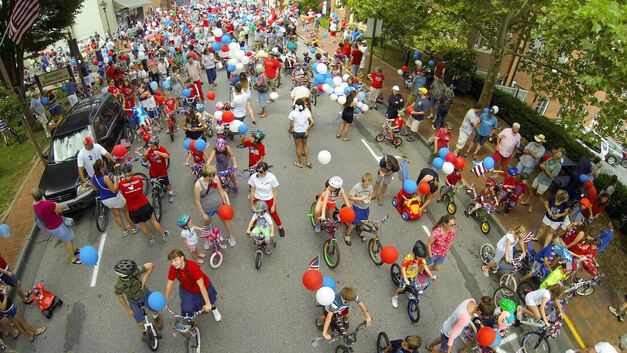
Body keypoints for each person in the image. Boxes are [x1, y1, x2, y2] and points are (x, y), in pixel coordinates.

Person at [118, 164, 170, 245]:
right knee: (153, 221)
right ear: (132, 172)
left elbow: (119, 189)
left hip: (133, 210)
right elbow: (141, 189)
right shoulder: (139, 180)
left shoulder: (121, 184)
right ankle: (163, 235)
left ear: (123, 175)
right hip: (145, 205)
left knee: (142, 225)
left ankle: (150, 239)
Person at [113, 260, 163, 342]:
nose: (135, 272)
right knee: (139, 323)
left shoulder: (135, 271)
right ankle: (146, 330)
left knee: (154, 308)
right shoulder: (119, 285)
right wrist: (128, 309)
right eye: (133, 272)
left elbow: (151, 265)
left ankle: (156, 316)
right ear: (127, 276)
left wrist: (144, 280)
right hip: (133, 301)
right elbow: (120, 296)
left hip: (145, 294)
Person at [164, 249, 221, 321]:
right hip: (187, 289)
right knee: (186, 308)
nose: (174, 263)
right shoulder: (173, 268)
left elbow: (202, 286)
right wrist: (165, 300)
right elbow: (169, 284)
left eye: (175, 260)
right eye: (172, 261)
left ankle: (213, 308)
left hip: (203, 286)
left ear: (182, 258)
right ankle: (189, 321)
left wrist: (208, 303)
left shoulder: (193, 267)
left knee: (210, 301)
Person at [32, 188, 81, 264]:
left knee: (65, 239)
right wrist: (53, 203)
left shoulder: (34, 206)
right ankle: (73, 258)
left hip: (50, 227)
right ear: (41, 194)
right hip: (59, 226)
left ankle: (73, 250)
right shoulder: (48, 203)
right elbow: (60, 209)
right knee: (68, 240)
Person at [91, 159, 139, 237]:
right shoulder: (105, 178)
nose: (106, 164)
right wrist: (116, 180)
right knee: (126, 212)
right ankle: (134, 228)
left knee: (117, 215)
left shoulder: (94, 178)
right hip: (114, 197)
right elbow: (114, 190)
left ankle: (124, 230)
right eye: (105, 164)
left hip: (105, 200)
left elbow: (95, 189)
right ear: (102, 167)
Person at [193, 164, 235, 247]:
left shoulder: (215, 178)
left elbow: (221, 191)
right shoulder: (198, 185)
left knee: (225, 221)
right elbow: (197, 201)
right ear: (206, 176)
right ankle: (206, 239)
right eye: (211, 176)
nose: (213, 177)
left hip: (219, 205)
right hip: (207, 207)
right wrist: (203, 213)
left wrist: (225, 203)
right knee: (207, 224)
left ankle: (231, 236)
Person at [391, 240, 435, 308]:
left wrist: (431, 276)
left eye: (422, 257)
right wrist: (405, 279)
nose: (421, 259)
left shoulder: (420, 258)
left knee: (412, 286)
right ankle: (395, 297)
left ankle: (409, 292)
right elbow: (403, 268)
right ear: (414, 254)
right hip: (406, 275)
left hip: (413, 275)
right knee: (402, 288)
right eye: (420, 257)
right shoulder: (408, 258)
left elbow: (425, 266)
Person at [248, 162, 285, 238]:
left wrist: (273, 206)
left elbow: (275, 192)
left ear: (266, 171)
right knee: (256, 213)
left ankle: (280, 227)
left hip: (269, 199)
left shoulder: (272, 178)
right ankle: (254, 225)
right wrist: (252, 204)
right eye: (257, 170)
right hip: (258, 199)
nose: (258, 172)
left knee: (273, 213)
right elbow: (252, 191)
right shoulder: (253, 177)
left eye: (260, 171)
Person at [344, 172, 373, 245]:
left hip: (366, 207)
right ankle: (347, 234)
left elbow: (370, 195)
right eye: (366, 184)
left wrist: (369, 199)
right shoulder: (357, 187)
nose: (367, 186)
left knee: (364, 220)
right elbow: (349, 197)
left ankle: (360, 230)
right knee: (354, 222)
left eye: (369, 184)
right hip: (357, 207)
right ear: (362, 181)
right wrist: (360, 198)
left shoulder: (370, 186)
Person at [143, 136, 175, 203]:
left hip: (162, 172)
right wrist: (145, 155)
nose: (151, 148)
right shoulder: (150, 150)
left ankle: (171, 193)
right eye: (150, 146)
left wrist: (158, 153)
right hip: (153, 173)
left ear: (157, 145)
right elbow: (145, 160)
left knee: (167, 184)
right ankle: (157, 195)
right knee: (154, 184)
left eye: (153, 146)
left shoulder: (161, 149)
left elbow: (167, 156)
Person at [287, 98, 314, 168]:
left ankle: (300, 163)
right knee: (305, 145)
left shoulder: (292, 113)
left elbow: (292, 125)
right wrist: (307, 129)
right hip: (304, 131)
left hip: (297, 132)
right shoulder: (307, 111)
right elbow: (312, 122)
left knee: (298, 147)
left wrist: (289, 131)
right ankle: (308, 162)